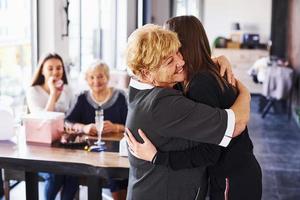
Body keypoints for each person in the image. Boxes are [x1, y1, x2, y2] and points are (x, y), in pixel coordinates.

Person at [125, 16, 262, 200]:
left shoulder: (152, 86)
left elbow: (219, 143)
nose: (180, 62)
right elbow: (236, 124)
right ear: (146, 73)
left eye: (178, 52)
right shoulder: (164, 100)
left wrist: (242, 89)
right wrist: (244, 93)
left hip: (232, 177)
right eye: (168, 60)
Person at [65, 60, 128, 200]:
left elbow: (132, 125)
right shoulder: (81, 98)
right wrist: (84, 127)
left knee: (115, 175)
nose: (96, 81)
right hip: (87, 152)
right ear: (86, 79)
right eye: (91, 77)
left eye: (100, 76)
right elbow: (68, 121)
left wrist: (117, 127)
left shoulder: (121, 97)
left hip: (115, 153)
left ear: (107, 77)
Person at [26, 53, 78, 200]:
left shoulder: (68, 89)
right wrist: (54, 94)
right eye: (50, 68)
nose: (56, 72)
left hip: (63, 146)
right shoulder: (33, 91)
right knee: (55, 175)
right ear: (42, 70)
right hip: (39, 149)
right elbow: (42, 120)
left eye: (59, 68)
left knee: (73, 174)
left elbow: (71, 117)